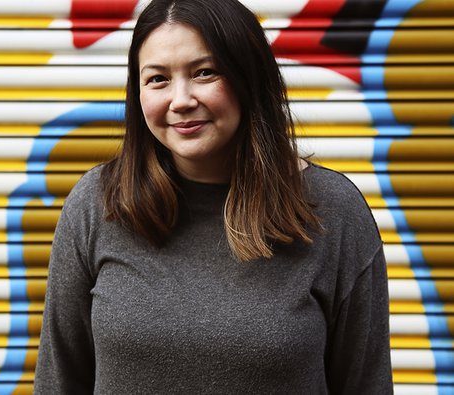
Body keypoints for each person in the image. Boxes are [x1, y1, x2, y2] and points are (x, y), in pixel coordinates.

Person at [34, 0, 393, 393]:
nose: (181, 99)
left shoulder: (332, 211)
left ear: (247, 77)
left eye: (204, 73)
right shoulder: (98, 204)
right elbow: (59, 381)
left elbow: (366, 384)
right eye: (157, 79)